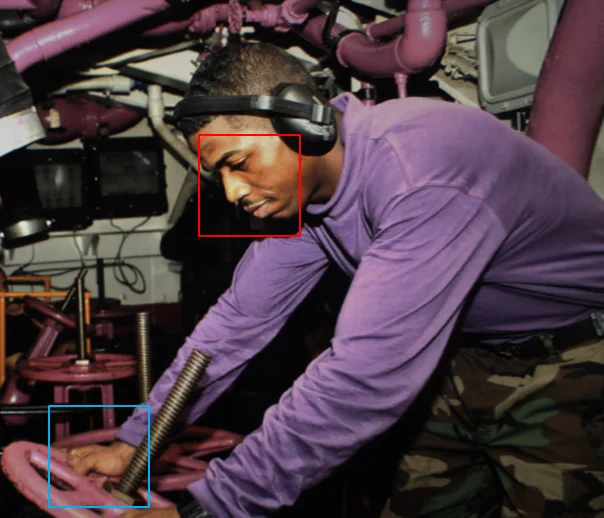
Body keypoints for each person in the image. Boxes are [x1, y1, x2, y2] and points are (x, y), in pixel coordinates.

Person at [67, 42, 604, 518]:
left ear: (301, 121)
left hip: (573, 364)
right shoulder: (309, 202)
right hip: (463, 362)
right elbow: (237, 320)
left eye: (239, 161)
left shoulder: (421, 168)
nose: (232, 192)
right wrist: (137, 444)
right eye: (220, 174)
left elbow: (363, 373)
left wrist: (213, 507)